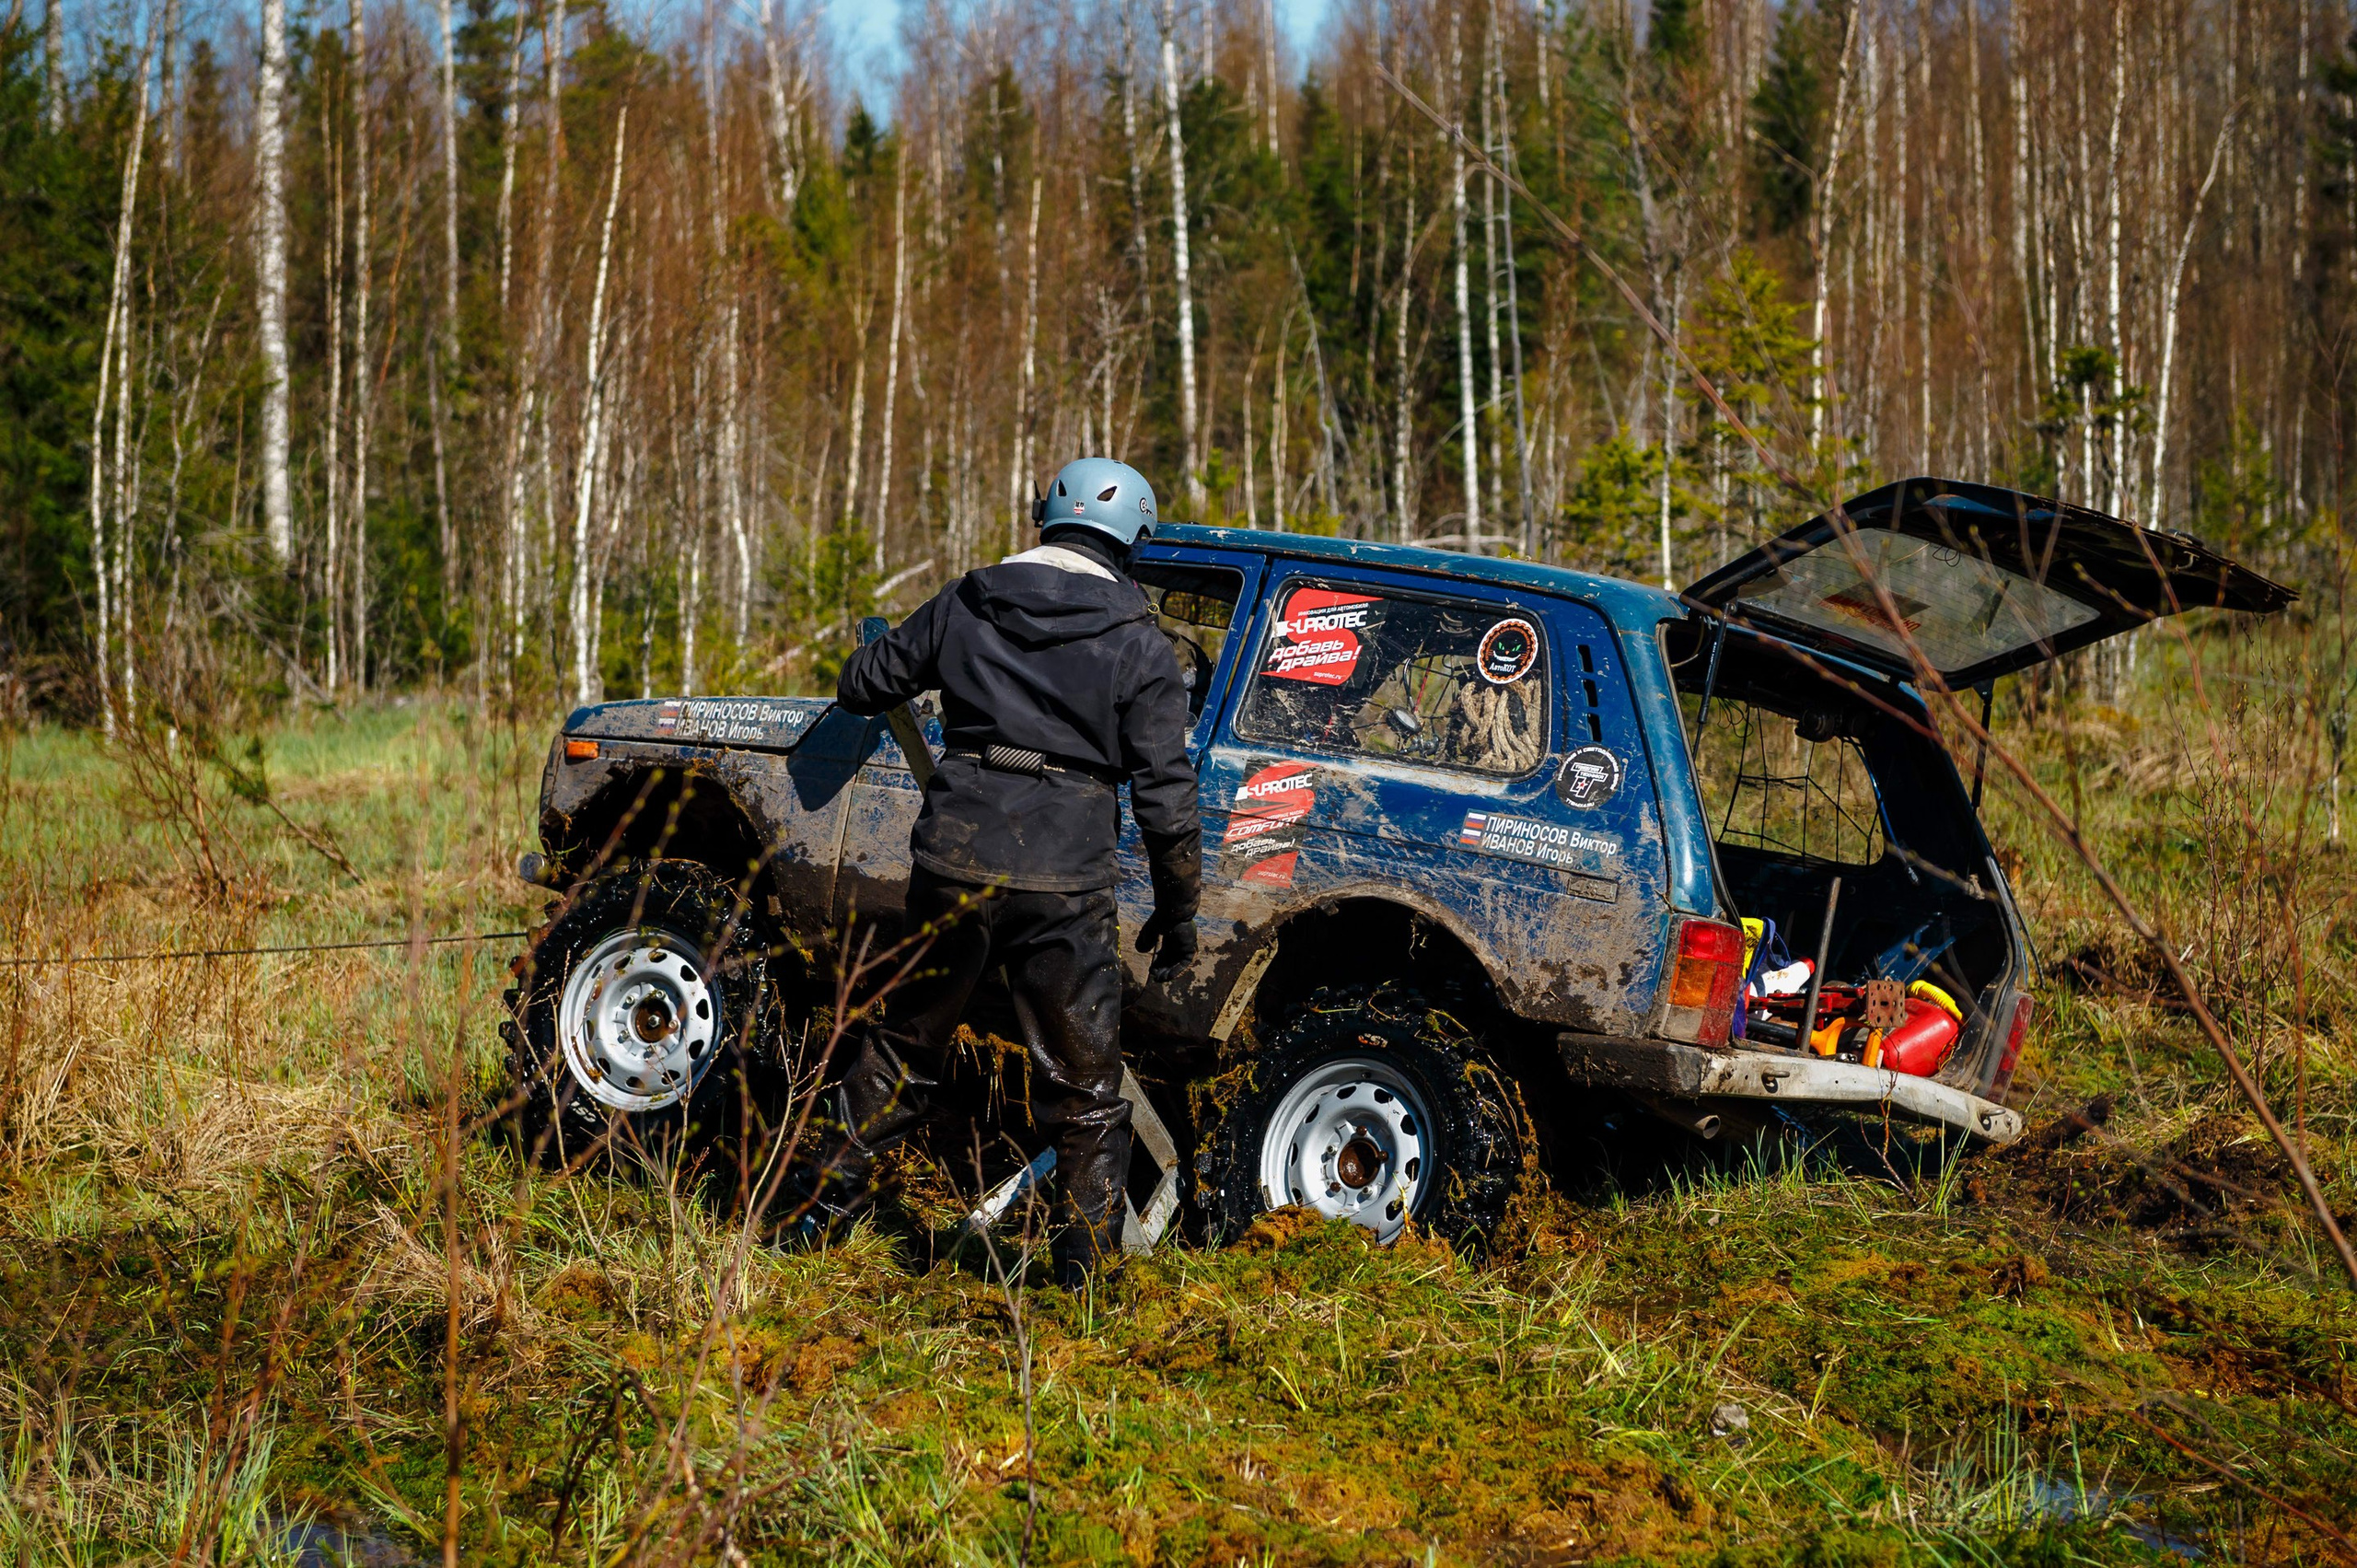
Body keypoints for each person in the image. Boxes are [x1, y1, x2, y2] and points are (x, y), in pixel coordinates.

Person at [795, 458, 1202, 1283]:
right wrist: (1178, 909)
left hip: (956, 858)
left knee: (904, 1047)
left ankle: (807, 1217)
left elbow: (862, 682)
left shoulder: (967, 600)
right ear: (1133, 542)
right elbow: (1166, 794)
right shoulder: (1141, 645)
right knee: (1085, 1091)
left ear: (1046, 517)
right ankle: (1082, 1283)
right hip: (1064, 881)